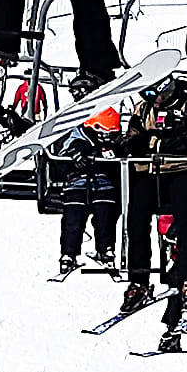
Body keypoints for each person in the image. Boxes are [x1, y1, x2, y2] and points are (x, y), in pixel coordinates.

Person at [119, 77, 187, 351]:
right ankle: (139, 278)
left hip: (183, 169)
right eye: (150, 96)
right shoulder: (143, 109)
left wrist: (185, 143)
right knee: (136, 217)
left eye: (158, 95)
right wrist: (145, 143)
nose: (155, 101)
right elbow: (132, 140)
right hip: (150, 170)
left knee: (186, 220)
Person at [56, 107, 123, 273]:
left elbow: (119, 163)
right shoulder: (75, 138)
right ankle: (69, 253)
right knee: (73, 218)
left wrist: (112, 155)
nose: (106, 139)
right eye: (104, 135)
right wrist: (74, 156)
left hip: (103, 184)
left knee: (105, 216)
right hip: (77, 183)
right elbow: (60, 160)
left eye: (111, 135)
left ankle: (105, 249)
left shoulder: (112, 144)